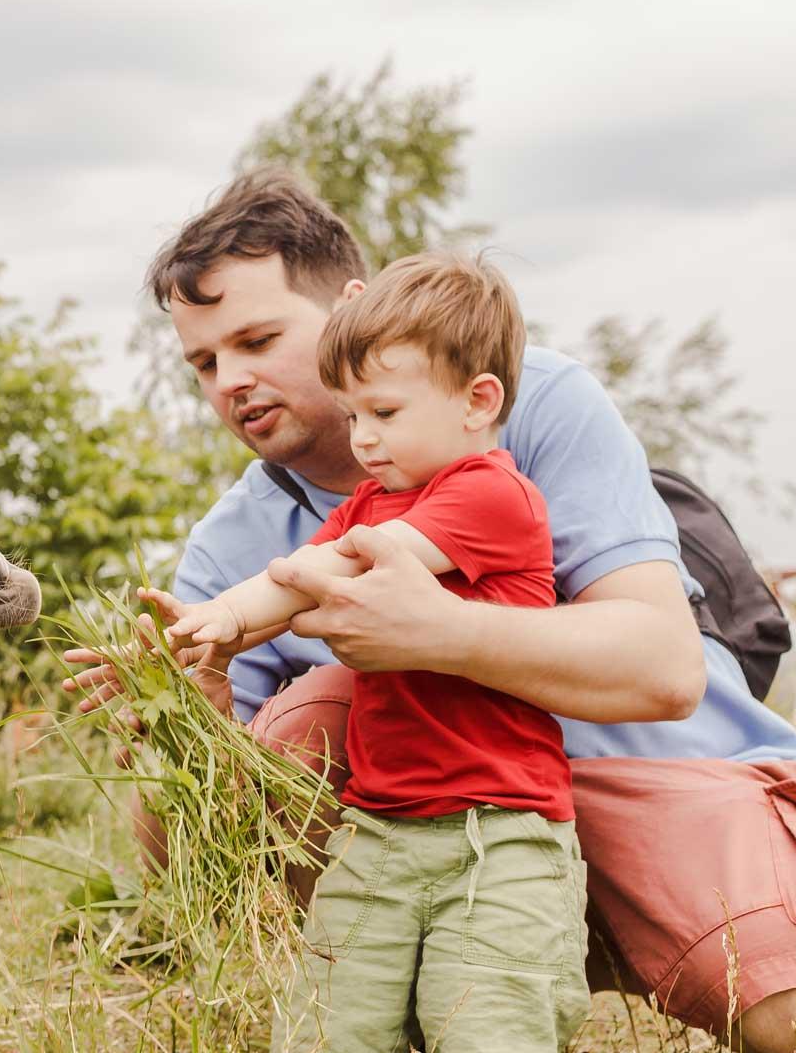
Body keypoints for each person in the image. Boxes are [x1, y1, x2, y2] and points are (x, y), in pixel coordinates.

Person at [67, 168, 796, 1052]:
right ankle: (423, 1002)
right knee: (311, 717)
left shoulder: (524, 401)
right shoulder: (231, 542)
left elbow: (665, 672)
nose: (229, 380)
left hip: (648, 778)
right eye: (203, 361)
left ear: (356, 310)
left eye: (257, 338)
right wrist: (180, 723)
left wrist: (443, 634)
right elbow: (194, 865)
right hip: (421, 834)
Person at [157, 251, 587, 1050]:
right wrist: (211, 623)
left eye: (384, 414)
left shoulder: (494, 494)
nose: (362, 438)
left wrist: (247, 604)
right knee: (330, 1024)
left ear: (477, 401)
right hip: (381, 825)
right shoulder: (371, 500)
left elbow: (339, 569)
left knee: (486, 1023)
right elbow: (292, 588)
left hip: (498, 831)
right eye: (352, 416)